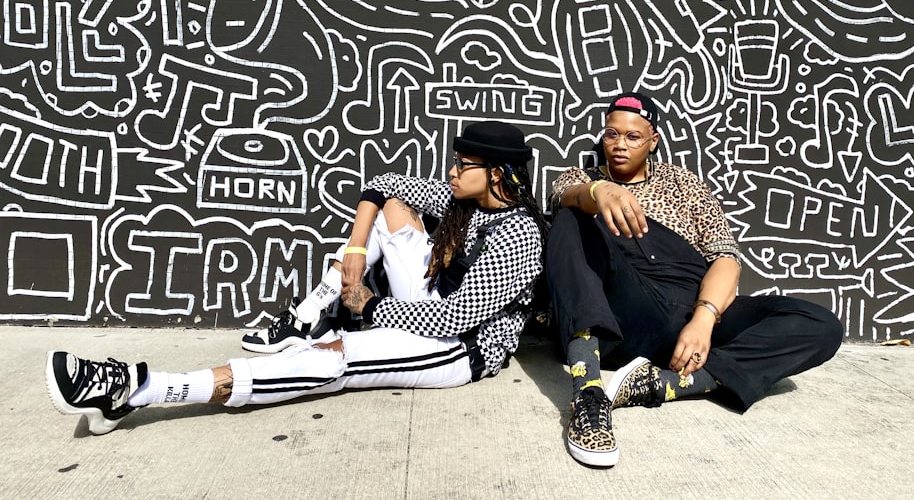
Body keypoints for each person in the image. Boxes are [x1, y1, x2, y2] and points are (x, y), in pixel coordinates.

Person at [46, 121, 547, 435]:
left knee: (335, 363)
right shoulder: (464, 205)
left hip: (461, 348)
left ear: (499, 173)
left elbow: (454, 319)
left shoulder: (519, 234)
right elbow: (385, 185)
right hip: (432, 299)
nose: (453, 172)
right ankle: (307, 314)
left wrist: (369, 307)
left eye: (464, 164)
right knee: (390, 208)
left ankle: (143, 388)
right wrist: (355, 247)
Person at [547, 92, 844, 468]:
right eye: (611, 134)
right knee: (569, 219)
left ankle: (668, 383)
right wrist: (597, 191)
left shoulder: (684, 184)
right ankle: (588, 394)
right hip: (629, 309)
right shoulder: (582, 179)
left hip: (694, 302)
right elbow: (565, 195)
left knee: (820, 325)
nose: (619, 144)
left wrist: (704, 319)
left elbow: (725, 257)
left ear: (653, 140)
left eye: (632, 136)